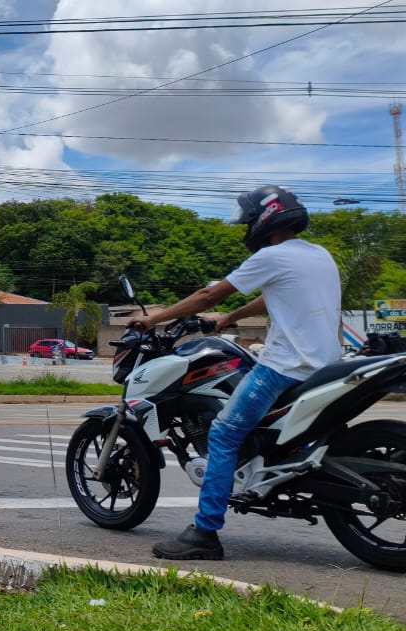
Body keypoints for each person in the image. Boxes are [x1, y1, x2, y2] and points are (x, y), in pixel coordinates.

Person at [127, 185, 341, 561]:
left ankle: (204, 533)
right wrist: (230, 318)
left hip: (286, 367)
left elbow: (208, 296)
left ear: (264, 219)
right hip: (327, 365)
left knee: (224, 434)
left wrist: (154, 318)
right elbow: (271, 296)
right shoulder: (318, 255)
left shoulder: (273, 255)